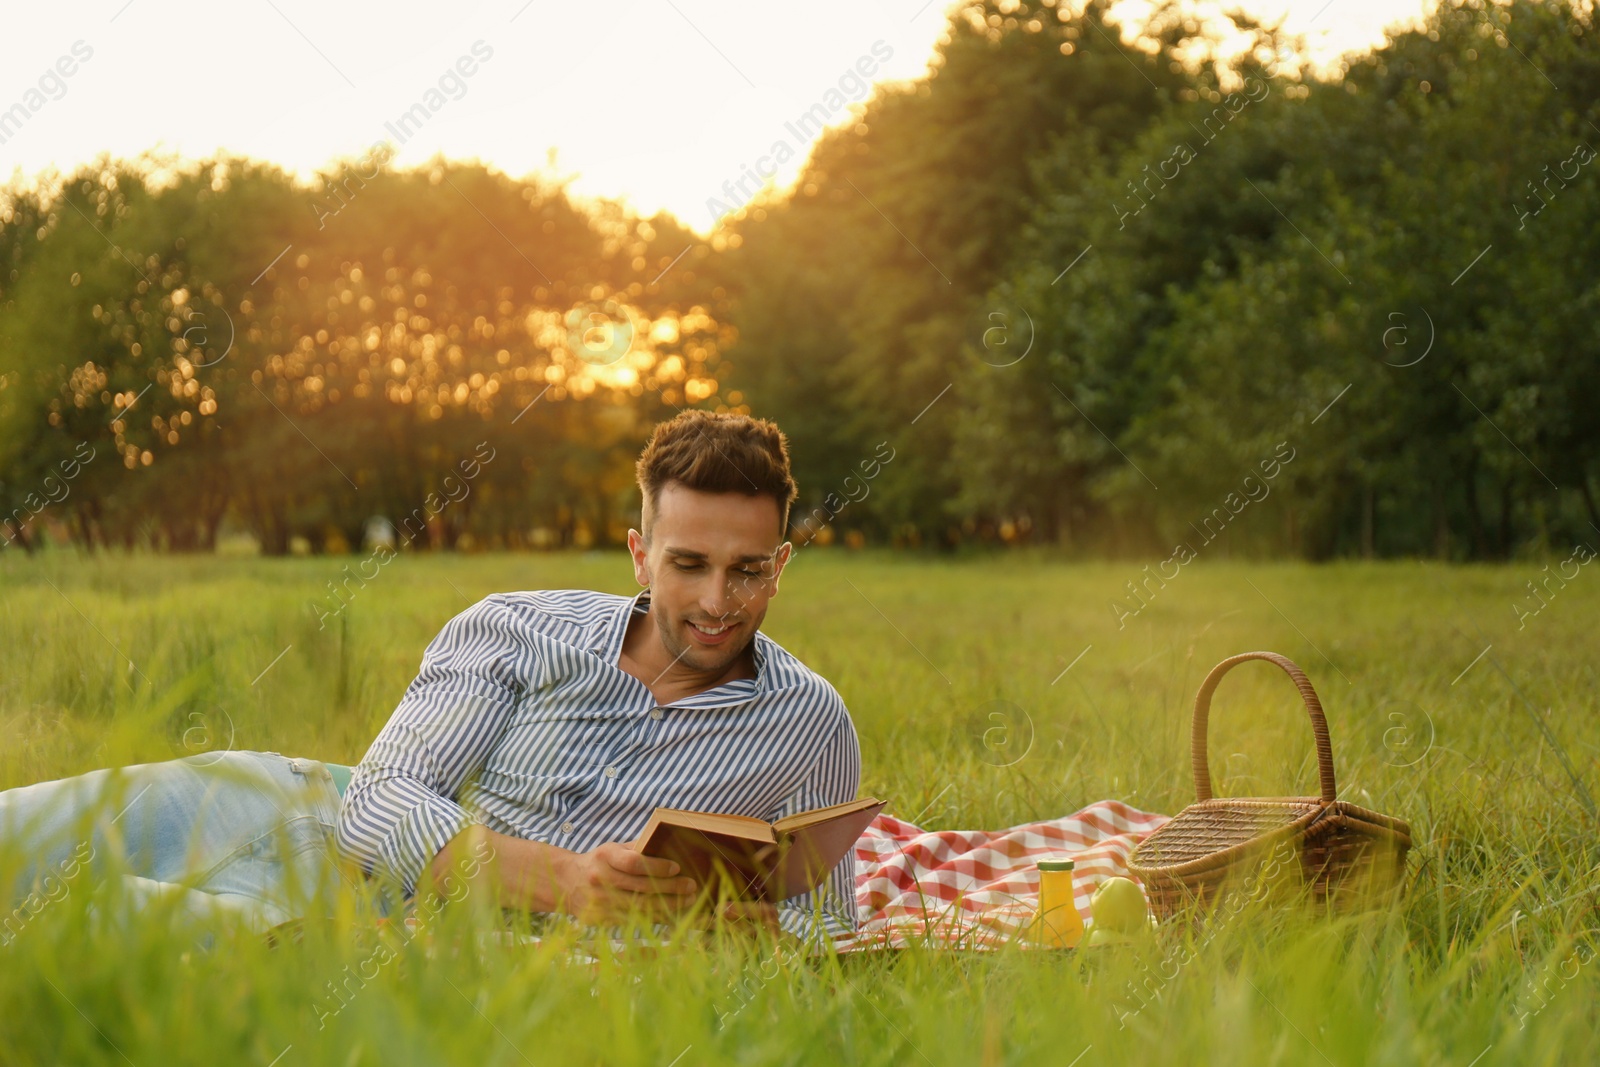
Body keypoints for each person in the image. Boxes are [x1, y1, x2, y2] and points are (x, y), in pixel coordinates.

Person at [0, 411, 862, 945]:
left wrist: (763, 936)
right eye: (688, 564)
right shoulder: (519, 627)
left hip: (381, 926)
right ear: (640, 553)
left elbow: (832, 921)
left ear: (781, 564)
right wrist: (570, 881)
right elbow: (374, 802)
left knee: (79, 932)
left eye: (748, 569)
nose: (718, 601)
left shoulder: (812, 725)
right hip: (283, 805)